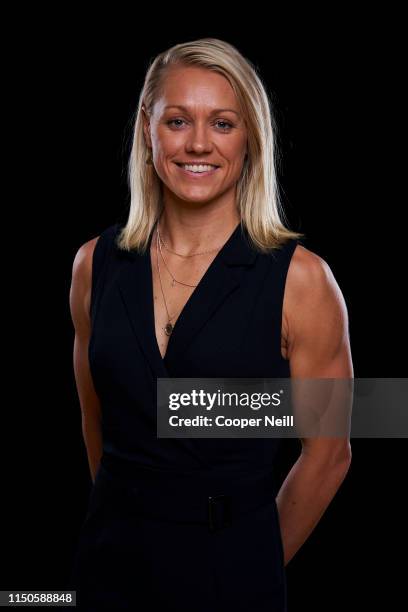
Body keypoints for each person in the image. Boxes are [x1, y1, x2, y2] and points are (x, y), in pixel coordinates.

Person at [69, 37, 352, 612]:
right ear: (148, 132)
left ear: (250, 139)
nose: (198, 143)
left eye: (222, 123)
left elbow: (330, 454)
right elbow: (98, 422)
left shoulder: (302, 280)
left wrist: (249, 561)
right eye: (177, 120)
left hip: (232, 578)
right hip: (105, 571)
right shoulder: (91, 266)